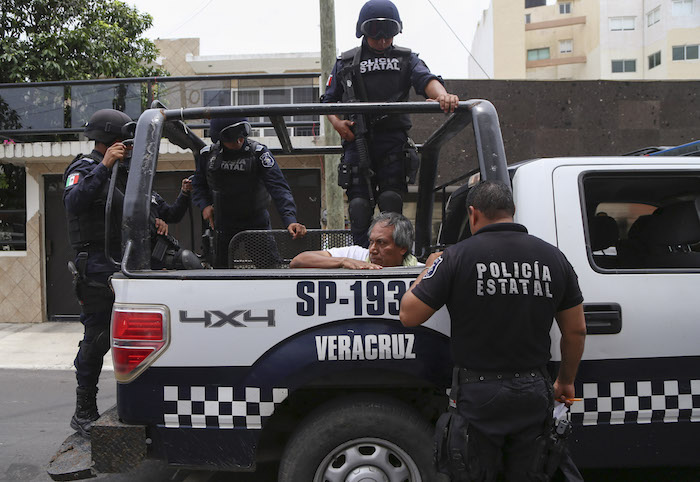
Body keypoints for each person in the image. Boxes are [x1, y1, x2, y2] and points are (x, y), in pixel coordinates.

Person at [399, 181, 586, 480]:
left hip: (478, 394)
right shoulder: (554, 258)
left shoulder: (456, 257)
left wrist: (429, 267)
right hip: (534, 389)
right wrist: (566, 381)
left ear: (473, 214)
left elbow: (409, 314)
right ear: (512, 212)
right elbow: (576, 331)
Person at [321, 0, 460, 247]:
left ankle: (391, 259)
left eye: (389, 31)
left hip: (392, 142)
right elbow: (328, 100)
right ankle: (363, 258)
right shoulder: (345, 62)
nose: (383, 38)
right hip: (357, 141)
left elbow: (426, 80)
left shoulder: (406, 59)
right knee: (359, 207)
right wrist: (337, 124)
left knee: (391, 202)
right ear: (363, 30)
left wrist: (443, 96)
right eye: (375, 30)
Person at [62, 108, 136, 437]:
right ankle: (83, 412)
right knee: (96, 339)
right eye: (124, 141)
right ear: (110, 141)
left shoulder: (120, 173)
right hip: (94, 266)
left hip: (121, 265)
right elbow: (73, 202)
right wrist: (104, 168)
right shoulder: (84, 168)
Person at [191, 117, 306, 268]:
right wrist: (205, 205)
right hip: (223, 223)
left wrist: (290, 220)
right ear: (219, 138)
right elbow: (198, 184)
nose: (238, 142)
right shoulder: (208, 155)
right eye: (231, 139)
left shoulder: (258, 153)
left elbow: (279, 188)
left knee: (270, 270)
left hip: (255, 222)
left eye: (241, 137)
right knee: (220, 271)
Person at [290, 212, 419, 269]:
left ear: (403, 248)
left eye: (381, 243)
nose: (372, 249)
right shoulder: (356, 255)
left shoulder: (420, 272)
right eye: (371, 242)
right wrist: (343, 261)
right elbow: (298, 261)